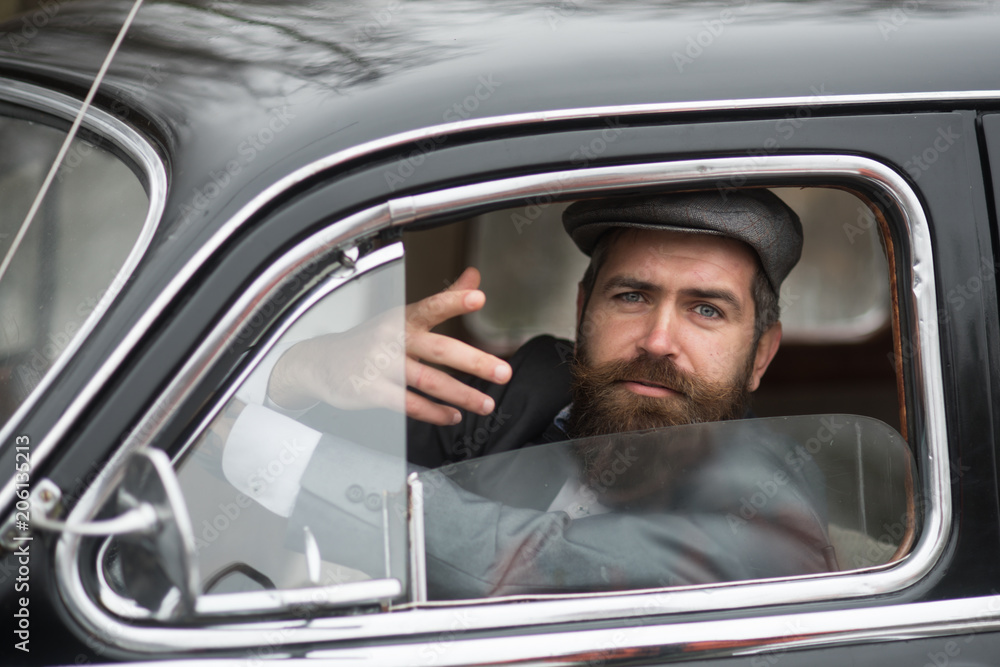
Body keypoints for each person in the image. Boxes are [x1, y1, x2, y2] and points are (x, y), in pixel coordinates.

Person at [218, 188, 837, 598]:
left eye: (705, 310)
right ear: (582, 311)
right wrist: (304, 371)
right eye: (632, 296)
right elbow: (345, 445)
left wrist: (240, 433)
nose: (657, 340)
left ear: (760, 354)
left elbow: (536, 561)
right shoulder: (534, 389)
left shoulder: (777, 520)